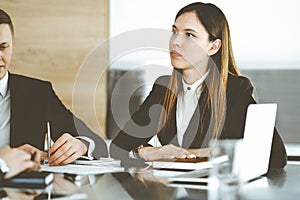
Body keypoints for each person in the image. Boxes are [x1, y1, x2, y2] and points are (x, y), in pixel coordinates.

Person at [110, 2, 287, 168]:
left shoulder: (234, 89)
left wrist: (187, 154)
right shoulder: (164, 88)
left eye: (189, 35)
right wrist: (147, 152)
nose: (176, 42)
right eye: (174, 31)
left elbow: (276, 156)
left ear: (213, 47)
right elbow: (119, 146)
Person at [0, 9, 108, 166]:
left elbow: (97, 143)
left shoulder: (38, 93)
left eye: (3, 47)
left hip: (26, 189)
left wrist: (81, 145)